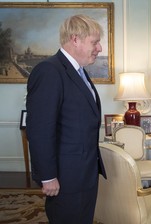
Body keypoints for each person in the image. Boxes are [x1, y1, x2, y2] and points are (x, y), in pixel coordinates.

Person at [26, 14, 106, 224]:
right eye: (95, 42)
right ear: (75, 39)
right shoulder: (49, 71)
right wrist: (48, 176)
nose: (99, 48)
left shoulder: (78, 71)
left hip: (84, 172)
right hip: (65, 176)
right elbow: (40, 130)